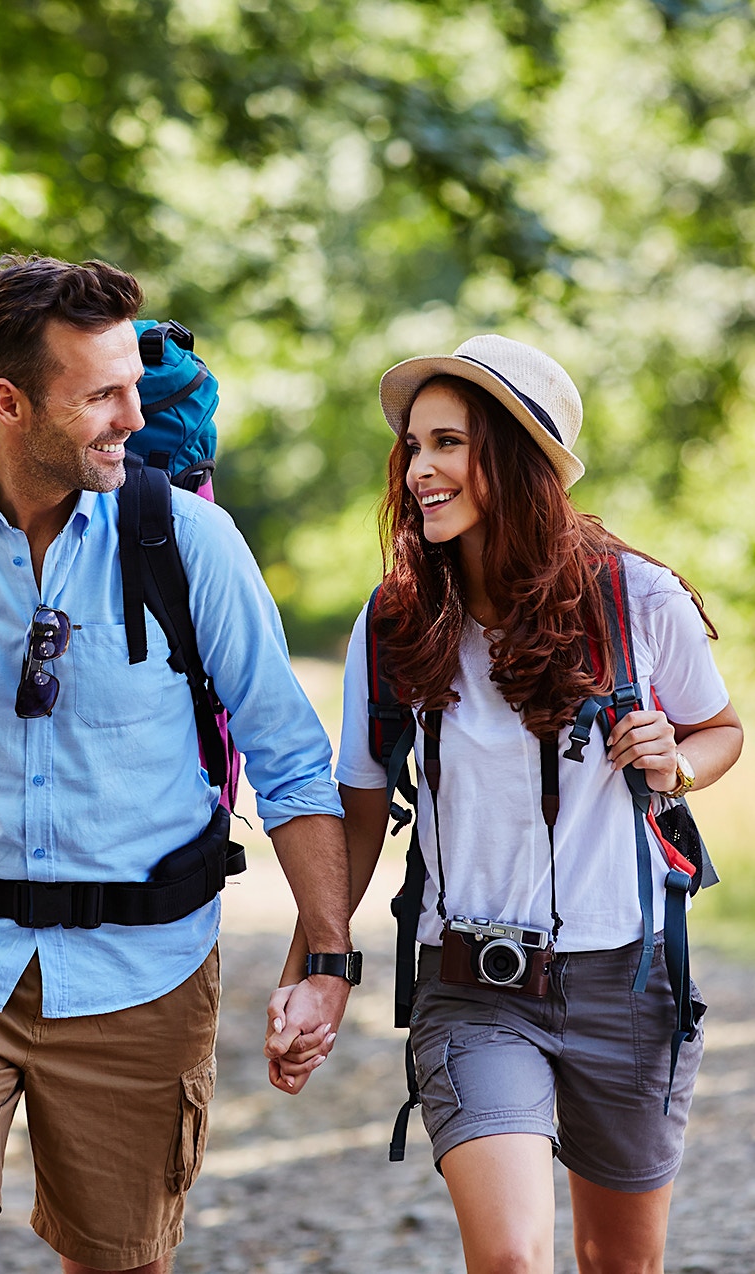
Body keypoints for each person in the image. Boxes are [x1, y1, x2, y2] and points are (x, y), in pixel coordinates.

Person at [0, 253, 357, 1274]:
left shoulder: (188, 540)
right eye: (101, 395)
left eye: (135, 389)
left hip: (142, 971)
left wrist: (327, 959)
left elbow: (291, 760)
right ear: (8, 402)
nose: (131, 418)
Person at [268, 334, 743, 1272]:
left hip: (630, 980)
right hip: (473, 984)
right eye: (414, 445)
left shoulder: (636, 599)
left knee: (619, 1263)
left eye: (449, 443)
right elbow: (358, 807)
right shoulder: (396, 620)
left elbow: (721, 730)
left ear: (519, 459)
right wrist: (316, 967)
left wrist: (677, 763)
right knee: (513, 1258)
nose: (420, 469)